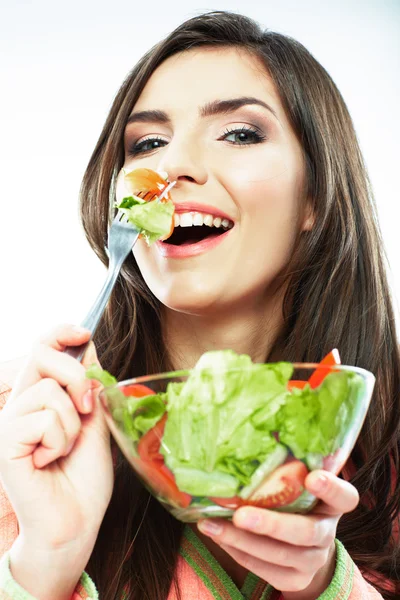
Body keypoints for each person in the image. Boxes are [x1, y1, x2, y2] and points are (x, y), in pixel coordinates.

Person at [0, 10, 398, 600]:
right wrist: (46, 561)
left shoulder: (388, 441)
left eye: (240, 133)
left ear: (315, 194)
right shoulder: (27, 439)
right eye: (148, 143)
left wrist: (324, 587)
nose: (170, 167)